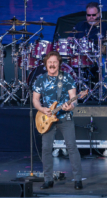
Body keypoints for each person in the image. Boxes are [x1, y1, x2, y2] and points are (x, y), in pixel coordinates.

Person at [32, 51, 83, 190]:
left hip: (65, 118)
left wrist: (70, 106)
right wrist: (42, 109)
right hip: (47, 119)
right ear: (46, 64)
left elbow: (74, 98)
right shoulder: (40, 79)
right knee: (46, 149)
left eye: (55, 62)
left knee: (71, 147)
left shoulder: (67, 78)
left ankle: (78, 180)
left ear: (59, 64)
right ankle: (48, 180)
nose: (52, 65)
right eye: (50, 62)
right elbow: (35, 99)